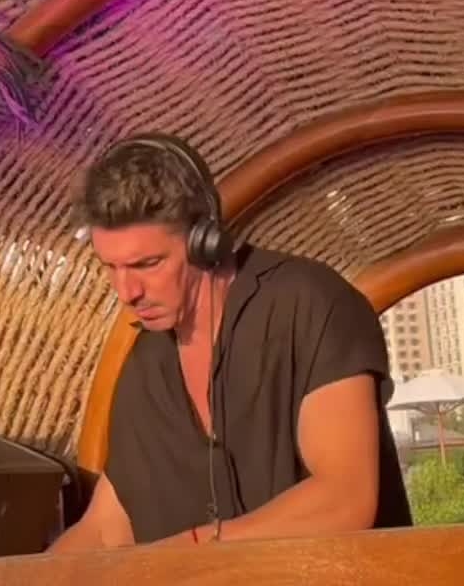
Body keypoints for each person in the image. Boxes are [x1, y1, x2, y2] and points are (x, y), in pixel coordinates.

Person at [49, 134, 412, 550]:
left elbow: (343, 500)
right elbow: (104, 530)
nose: (127, 291)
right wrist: (20, 576)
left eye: (147, 264)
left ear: (204, 241)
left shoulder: (310, 305)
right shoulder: (145, 367)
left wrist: (190, 552)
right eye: (111, 267)